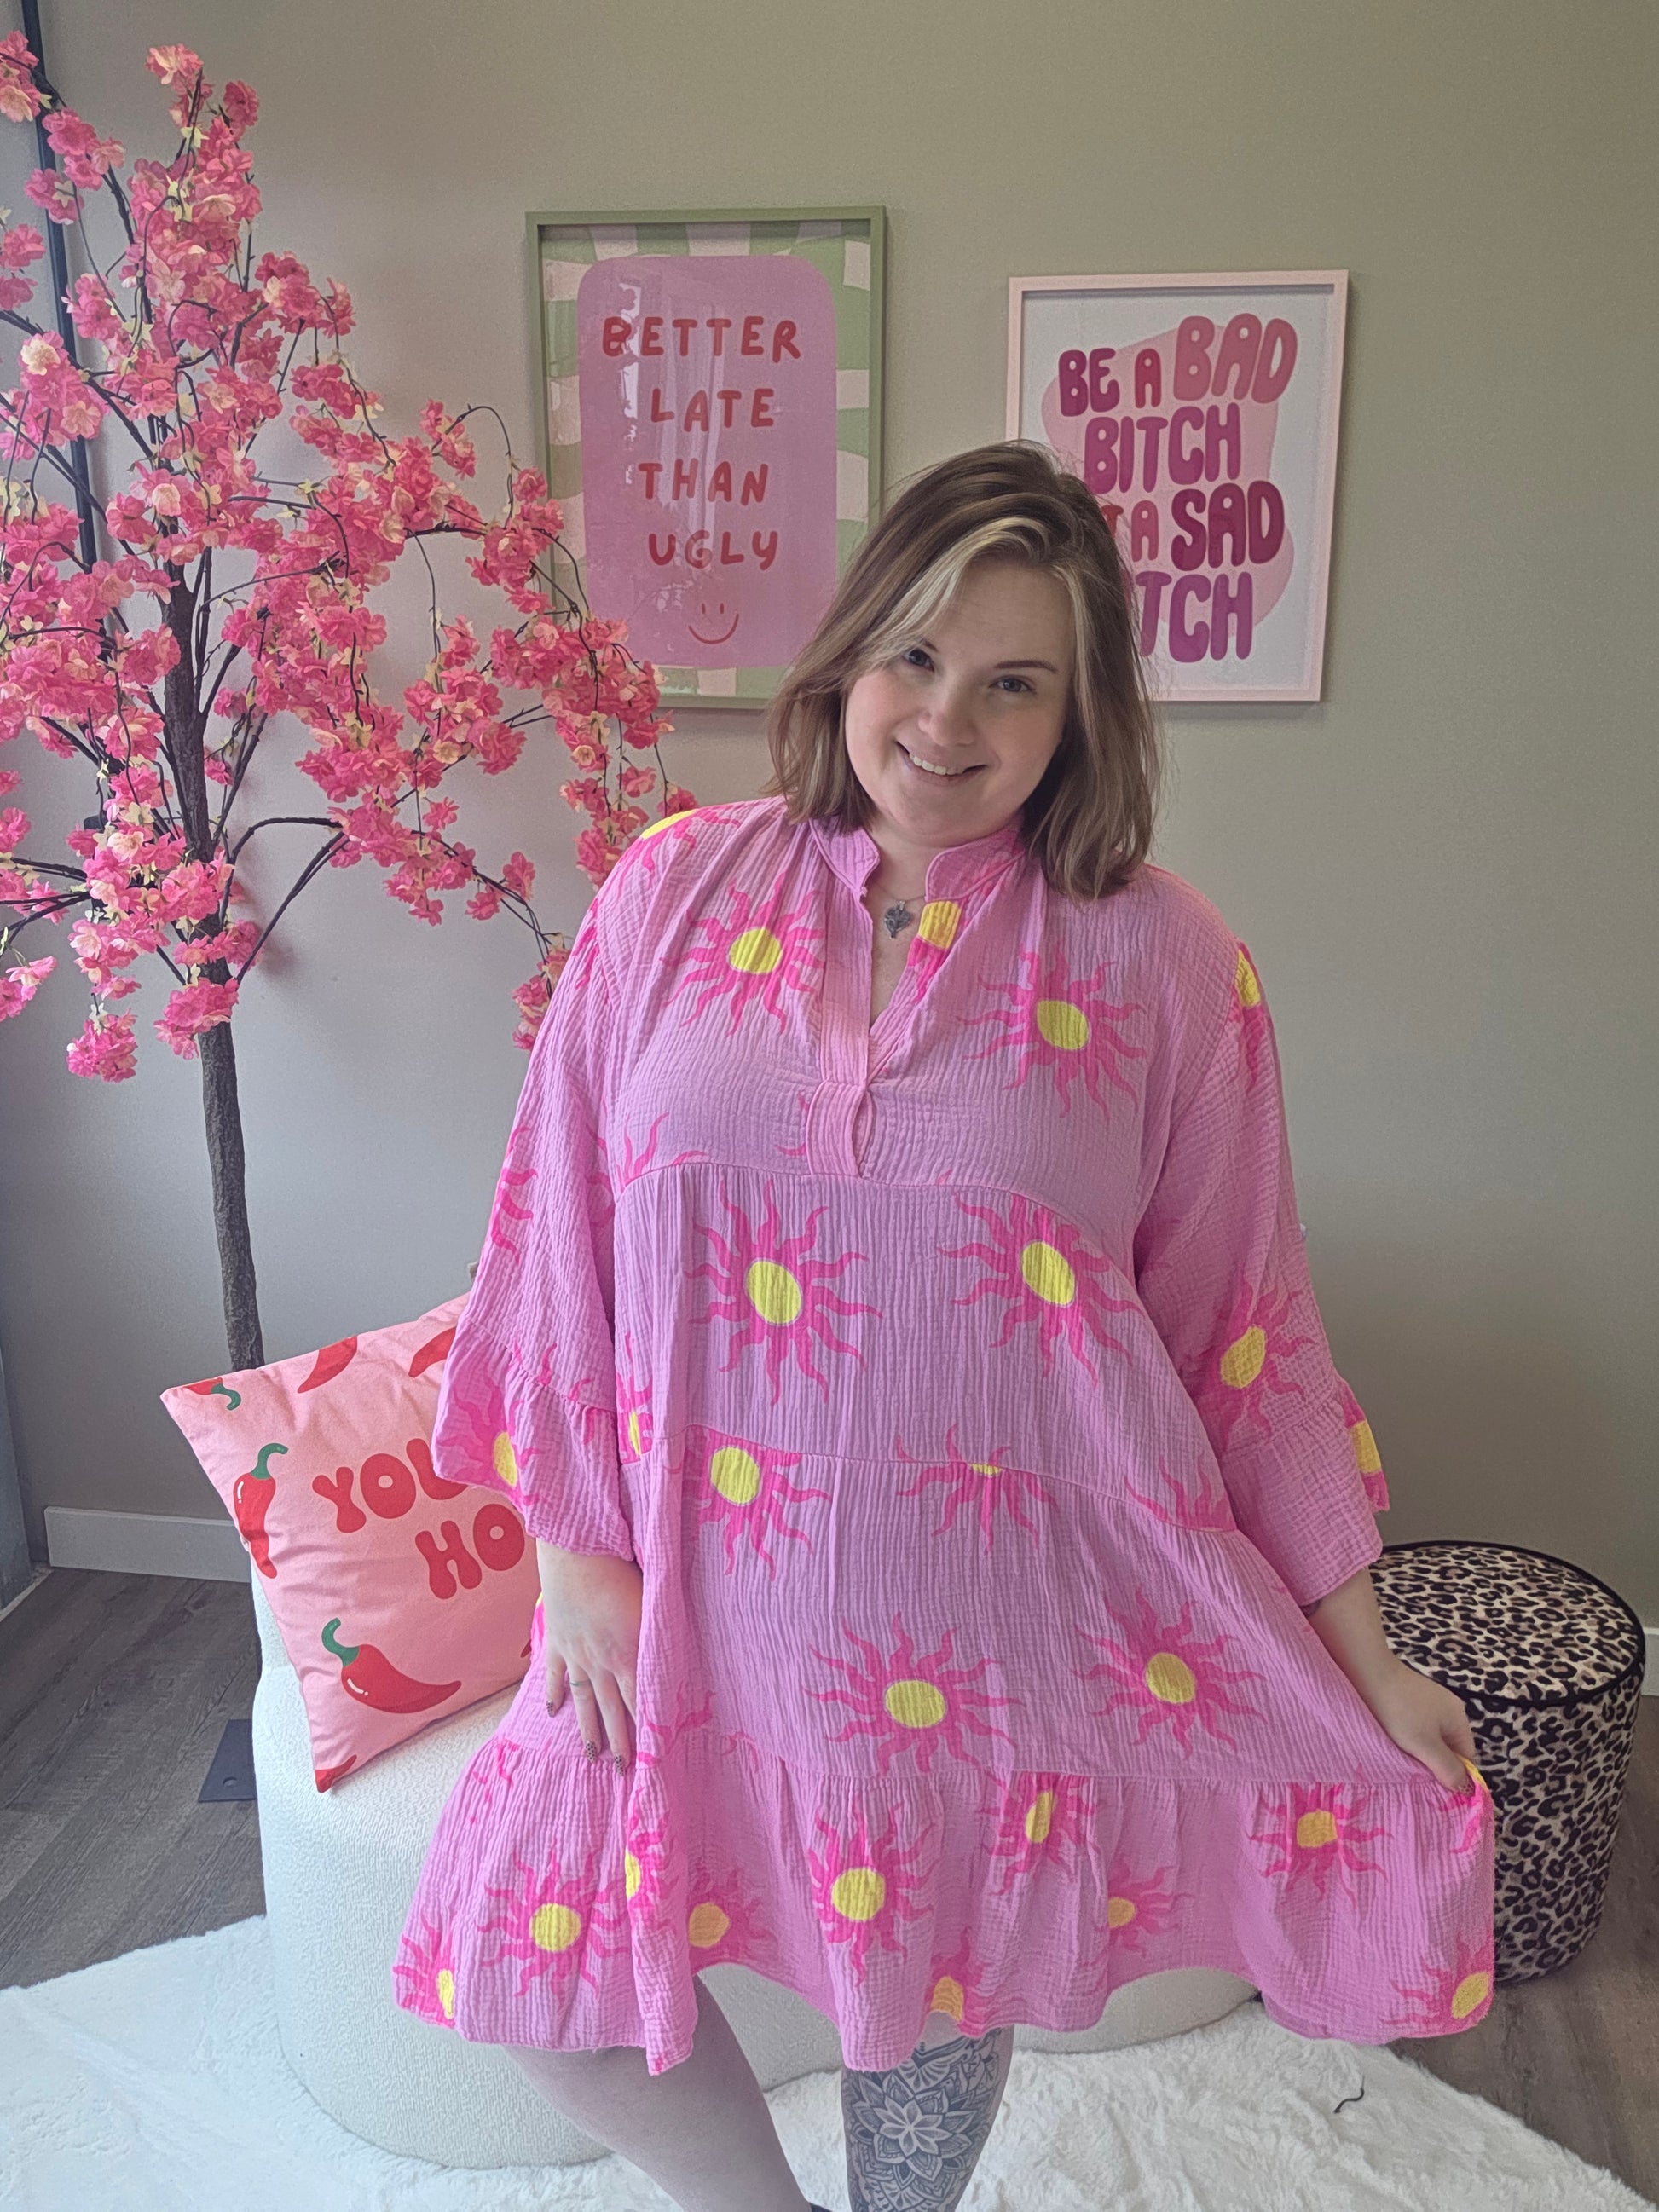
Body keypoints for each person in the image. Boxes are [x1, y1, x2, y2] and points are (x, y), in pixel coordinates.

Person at [391, 439, 1494, 2212]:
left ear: (1081, 712)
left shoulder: (1162, 960)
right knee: (532, 1970)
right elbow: (553, 1242)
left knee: (929, 1980)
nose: (945, 720)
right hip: (684, 1595)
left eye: (1012, 682)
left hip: (988, 1613)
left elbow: (1244, 1332)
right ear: (847, 652)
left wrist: (1363, 1654)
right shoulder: (668, 892)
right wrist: (576, 1557)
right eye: (913, 654)